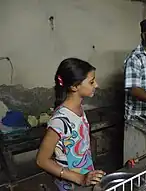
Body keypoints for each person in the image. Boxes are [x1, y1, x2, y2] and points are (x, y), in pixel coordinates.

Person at [36, 58, 105, 191]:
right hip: (71, 185)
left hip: (85, 177)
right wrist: (80, 178)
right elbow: (42, 160)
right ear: (74, 86)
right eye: (91, 82)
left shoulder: (78, 110)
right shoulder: (60, 120)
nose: (96, 85)